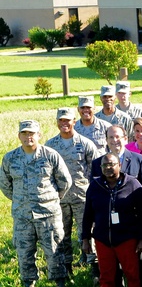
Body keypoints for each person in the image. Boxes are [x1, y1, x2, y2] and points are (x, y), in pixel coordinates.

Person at [1, 120, 72, 287]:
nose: (28, 137)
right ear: (19, 136)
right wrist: (21, 200)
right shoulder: (10, 158)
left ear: (39, 135)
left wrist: (51, 199)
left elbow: (65, 181)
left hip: (48, 214)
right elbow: (5, 184)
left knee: (54, 251)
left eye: (32, 133)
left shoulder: (50, 155)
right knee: (24, 253)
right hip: (23, 216)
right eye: (24, 133)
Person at [81, 152, 142, 287]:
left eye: (112, 164)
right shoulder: (95, 186)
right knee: (106, 278)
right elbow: (88, 214)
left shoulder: (132, 184)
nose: (108, 168)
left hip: (127, 239)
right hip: (103, 240)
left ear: (120, 165)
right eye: (104, 165)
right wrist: (85, 238)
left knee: (132, 276)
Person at [46, 107, 100, 275]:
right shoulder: (50, 146)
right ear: (57, 122)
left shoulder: (85, 144)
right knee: (62, 234)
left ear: (74, 122)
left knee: (88, 233)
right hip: (60, 199)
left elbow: (95, 171)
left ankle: (94, 267)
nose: (64, 124)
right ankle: (66, 267)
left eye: (67, 120)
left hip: (82, 197)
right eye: (61, 121)